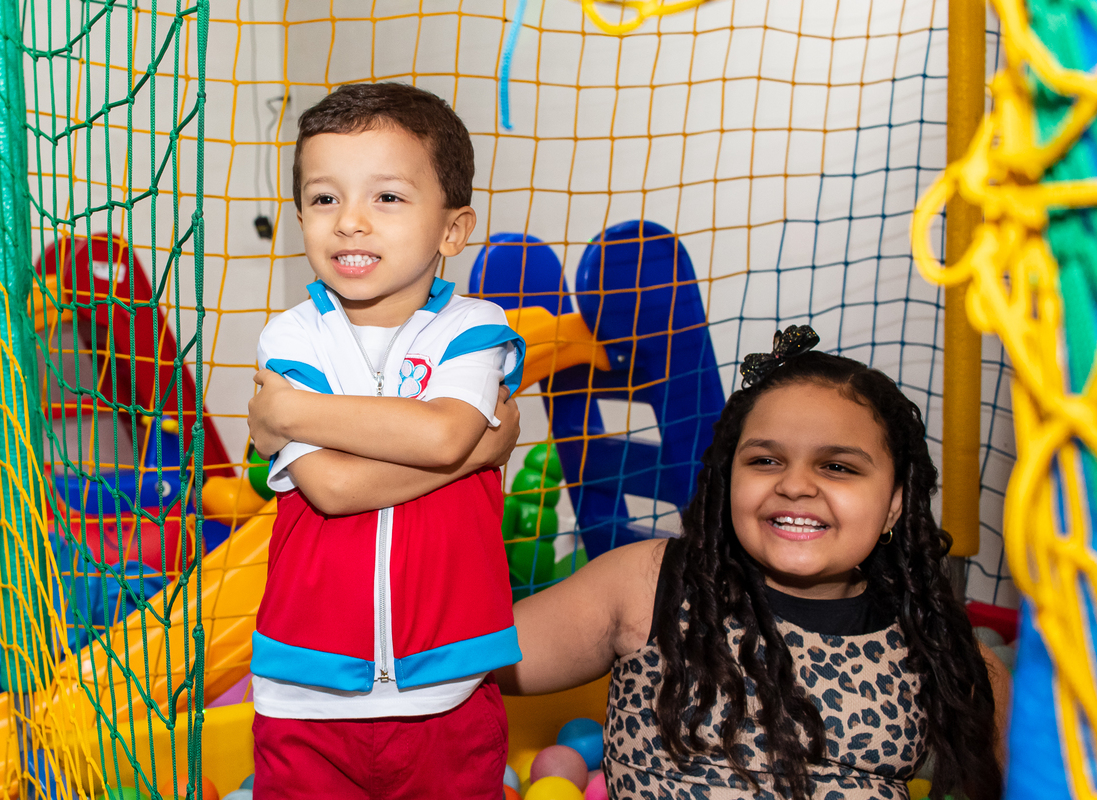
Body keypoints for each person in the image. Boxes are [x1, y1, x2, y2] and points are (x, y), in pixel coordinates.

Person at [497, 326, 1010, 800]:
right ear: (728, 479)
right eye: (765, 460)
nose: (795, 484)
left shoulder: (941, 649)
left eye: (838, 466)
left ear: (895, 503)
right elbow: (454, 652)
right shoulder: (650, 584)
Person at [246, 82, 525, 799]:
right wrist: (475, 451)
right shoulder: (293, 336)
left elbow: (440, 434)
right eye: (324, 198)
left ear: (452, 230)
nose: (350, 223)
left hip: (447, 686)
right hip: (306, 693)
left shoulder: (473, 330)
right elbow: (333, 488)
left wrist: (291, 414)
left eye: (388, 198)